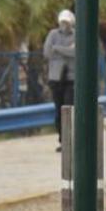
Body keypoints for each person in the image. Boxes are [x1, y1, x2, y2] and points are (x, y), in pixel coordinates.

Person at [44, 10, 77, 152]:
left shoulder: (76, 35)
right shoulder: (53, 34)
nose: (65, 25)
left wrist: (57, 48)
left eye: (67, 23)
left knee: (68, 108)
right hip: (55, 78)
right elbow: (47, 52)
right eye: (62, 22)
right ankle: (62, 140)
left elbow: (76, 53)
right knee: (58, 110)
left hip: (71, 78)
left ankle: (70, 140)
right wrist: (65, 49)